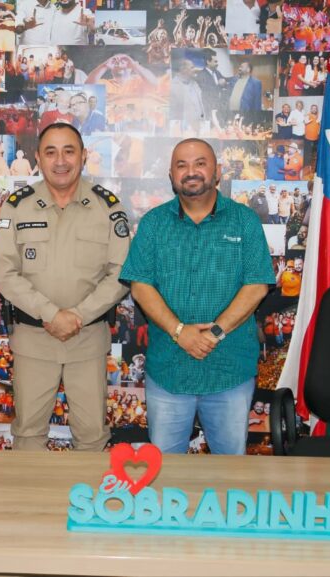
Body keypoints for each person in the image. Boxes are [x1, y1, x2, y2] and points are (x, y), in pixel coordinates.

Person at [119, 138, 274, 454]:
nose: (191, 171)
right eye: (182, 165)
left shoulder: (244, 221)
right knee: (166, 471)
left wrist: (214, 333)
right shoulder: (153, 224)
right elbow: (140, 286)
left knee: (230, 471)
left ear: (217, 172)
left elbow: (257, 285)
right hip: (169, 371)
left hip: (229, 370)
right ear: (171, 176)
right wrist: (180, 332)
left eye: (200, 163)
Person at [0, 123, 130, 451]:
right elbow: (4, 272)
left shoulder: (108, 207)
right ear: (38, 158)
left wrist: (78, 315)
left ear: (83, 156)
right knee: (28, 434)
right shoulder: (16, 206)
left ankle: (89, 489)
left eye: (69, 151)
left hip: (88, 339)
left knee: (93, 435)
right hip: (34, 340)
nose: (60, 161)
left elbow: (121, 273)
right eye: (51, 152)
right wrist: (51, 314)